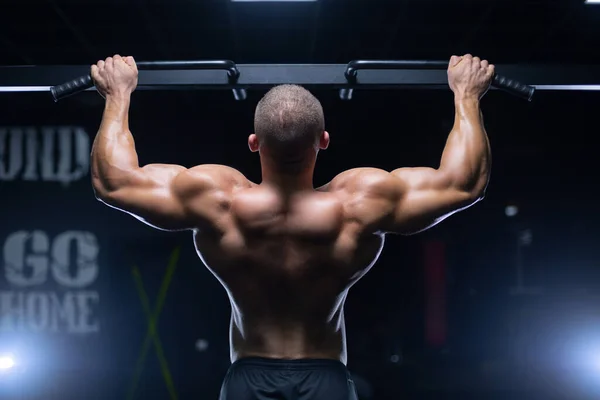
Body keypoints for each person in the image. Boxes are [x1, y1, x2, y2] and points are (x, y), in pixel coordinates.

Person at [90, 54, 493, 400]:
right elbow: (464, 182)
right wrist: (467, 95)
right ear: (324, 140)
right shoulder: (358, 203)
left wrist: (118, 94)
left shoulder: (218, 201)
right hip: (326, 378)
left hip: (248, 377)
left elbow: (114, 182)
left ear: (253, 142)